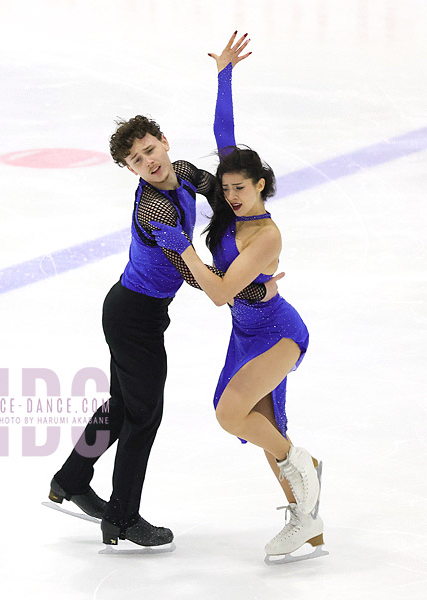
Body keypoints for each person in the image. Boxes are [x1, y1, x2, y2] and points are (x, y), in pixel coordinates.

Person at [48, 32, 280, 548]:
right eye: (136, 160)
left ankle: (70, 480)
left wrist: (224, 76)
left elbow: (225, 174)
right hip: (133, 316)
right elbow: (199, 276)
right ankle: (122, 518)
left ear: (165, 143)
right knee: (143, 414)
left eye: (150, 149)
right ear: (129, 170)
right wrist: (248, 290)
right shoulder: (153, 209)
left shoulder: (182, 174)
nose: (148, 162)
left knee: (120, 404)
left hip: (135, 310)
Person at [150, 33, 325, 560]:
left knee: (233, 416)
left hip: (276, 332)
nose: (229, 195)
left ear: (261, 184)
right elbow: (223, 130)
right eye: (226, 188)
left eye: (240, 188)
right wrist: (224, 74)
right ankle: (308, 523)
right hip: (246, 331)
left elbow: (221, 291)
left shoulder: (264, 235)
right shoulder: (231, 199)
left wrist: (184, 250)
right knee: (265, 428)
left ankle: (305, 465)